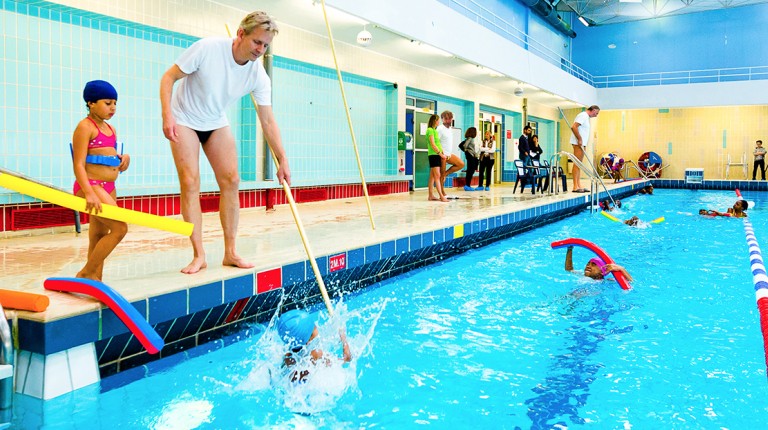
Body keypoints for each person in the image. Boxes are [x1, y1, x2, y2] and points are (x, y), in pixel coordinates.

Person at [160, 11, 291, 274]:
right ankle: (199, 255)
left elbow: (267, 121)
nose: (260, 50)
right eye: (257, 42)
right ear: (241, 34)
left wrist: (282, 158)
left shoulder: (258, 75)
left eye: (265, 45)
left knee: (231, 180)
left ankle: (230, 252)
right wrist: (168, 116)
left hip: (215, 121)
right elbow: (168, 78)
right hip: (184, 118)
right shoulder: (208, 48)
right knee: (190, 181)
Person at [72, 80, 130, 281]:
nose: (112, 107)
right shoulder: (84, 127)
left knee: (98, 234)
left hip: (109, 187)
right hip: (92, 186)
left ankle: (96, 278)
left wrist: (124, 159)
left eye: (115, 103)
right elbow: (79, 164)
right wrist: (88, 192)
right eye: (107, 103)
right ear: (91, 103)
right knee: (120, 228)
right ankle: (86, 272)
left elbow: (108, 155)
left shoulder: (111, 129)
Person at [276, 309, 352, 384]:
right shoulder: (316, 354)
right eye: (313, 327)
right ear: (309, 339)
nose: (316, 326)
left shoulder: (288, 355)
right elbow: (343, 361)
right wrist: (344, 340)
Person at [569, 105, 600, 193]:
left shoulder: (586, 117)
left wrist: (583, 143)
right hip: (578, 143)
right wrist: (579, 139)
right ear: (593, 110)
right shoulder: (583, 115)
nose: (596, 115)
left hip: (582, 143)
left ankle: (579, 185)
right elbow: (574, 127)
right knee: (577, 164)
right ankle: (575, 186)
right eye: (596, 113)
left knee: (579, 165)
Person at [436, 111, 464, 196]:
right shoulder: (440, 129)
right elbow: (436, 142)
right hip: (442, 154)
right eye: (446, 119)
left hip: (449, 153)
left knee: (461, 164)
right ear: (442, 119)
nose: (448, 120)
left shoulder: (450, 129)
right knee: (441, 174)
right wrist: (441, 153)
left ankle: (446, 173)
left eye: (449, 119)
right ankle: (442, 192)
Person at [564, 247, 632, 281]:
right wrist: (569, 249)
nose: (588, 266)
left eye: (594, 264)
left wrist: (621, 269)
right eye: (588, 263)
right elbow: (569, 269)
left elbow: (630, 282)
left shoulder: (607, 281)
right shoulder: (582, 275)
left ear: (602, 272)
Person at [426, 114, 448, 202]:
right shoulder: (430, 130)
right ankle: (441, 196)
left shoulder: (434, 131)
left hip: (437, 154)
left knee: (432, 177)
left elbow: (438, 143)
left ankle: (430, 195)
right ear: (435, 121)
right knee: (437, 176)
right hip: (434, 155)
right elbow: (432, 144)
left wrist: (442, 152)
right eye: (438, 120)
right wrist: (440, 154)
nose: (439, 122)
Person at [461, 127, 480, 192]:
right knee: (470, 170)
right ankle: (467, 185)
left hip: (471, 155)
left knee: (471, 170)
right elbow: (465, 146)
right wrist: (467, 150)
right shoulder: (470, 139)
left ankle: (468, 185)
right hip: (470, 156)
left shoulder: (470, 139)